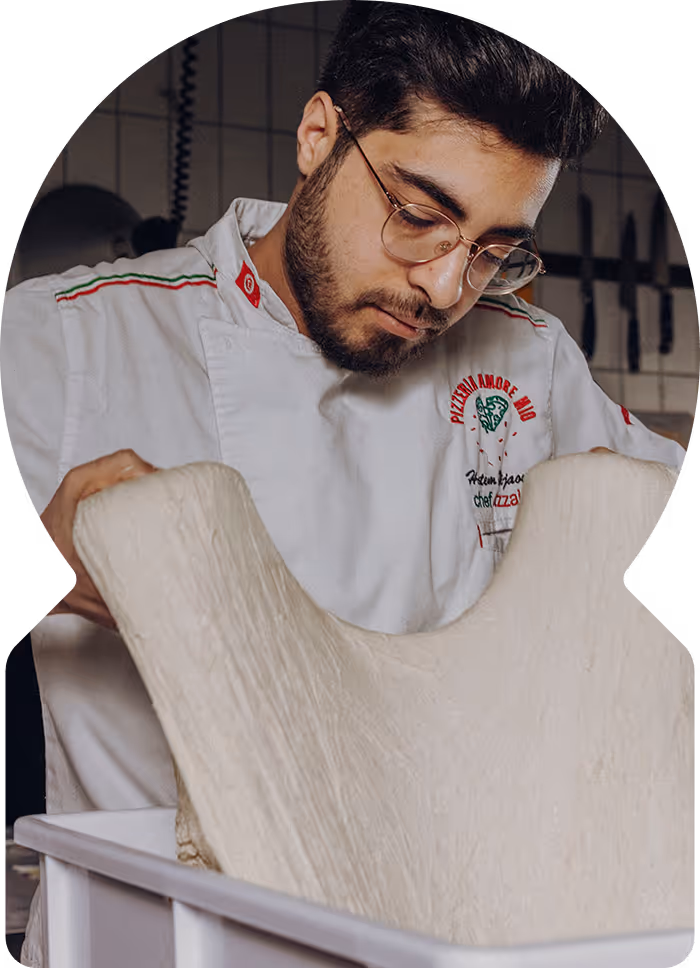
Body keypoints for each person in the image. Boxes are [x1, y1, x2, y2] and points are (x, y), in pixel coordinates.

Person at [0, 3, 685, 964]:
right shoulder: (69, 342)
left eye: (495, 249)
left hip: (441, 929)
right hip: (163, 934)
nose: (447, 288)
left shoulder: (529, 361)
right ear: (320, 136)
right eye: (419, 216)